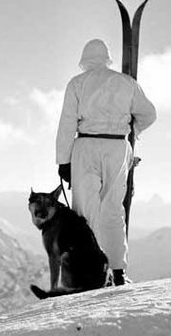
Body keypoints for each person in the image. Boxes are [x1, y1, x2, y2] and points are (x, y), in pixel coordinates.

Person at [55, 38, 157, 286]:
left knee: (85, 212)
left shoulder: (77, 83)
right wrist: (132, 130)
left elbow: (67, 124)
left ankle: (88, 273)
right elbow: (149, 114)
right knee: (113, 209)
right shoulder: (126, 83)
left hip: (86, 146)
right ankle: (118, 271)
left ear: (84, 60)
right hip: (117, 146)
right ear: (107, 59)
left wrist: (63, 162)